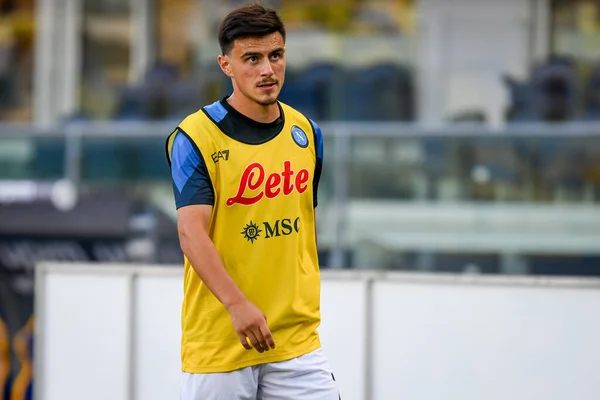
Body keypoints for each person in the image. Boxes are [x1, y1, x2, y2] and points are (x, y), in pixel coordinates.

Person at [166, 3, 340, 400]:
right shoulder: (196, 137)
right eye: (252, 58)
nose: (267, 69)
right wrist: (238, 305)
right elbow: (191, 234)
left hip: (296, 342)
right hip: (221, 343)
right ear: (225, 65)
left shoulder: (306, 133)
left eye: (275, 56)